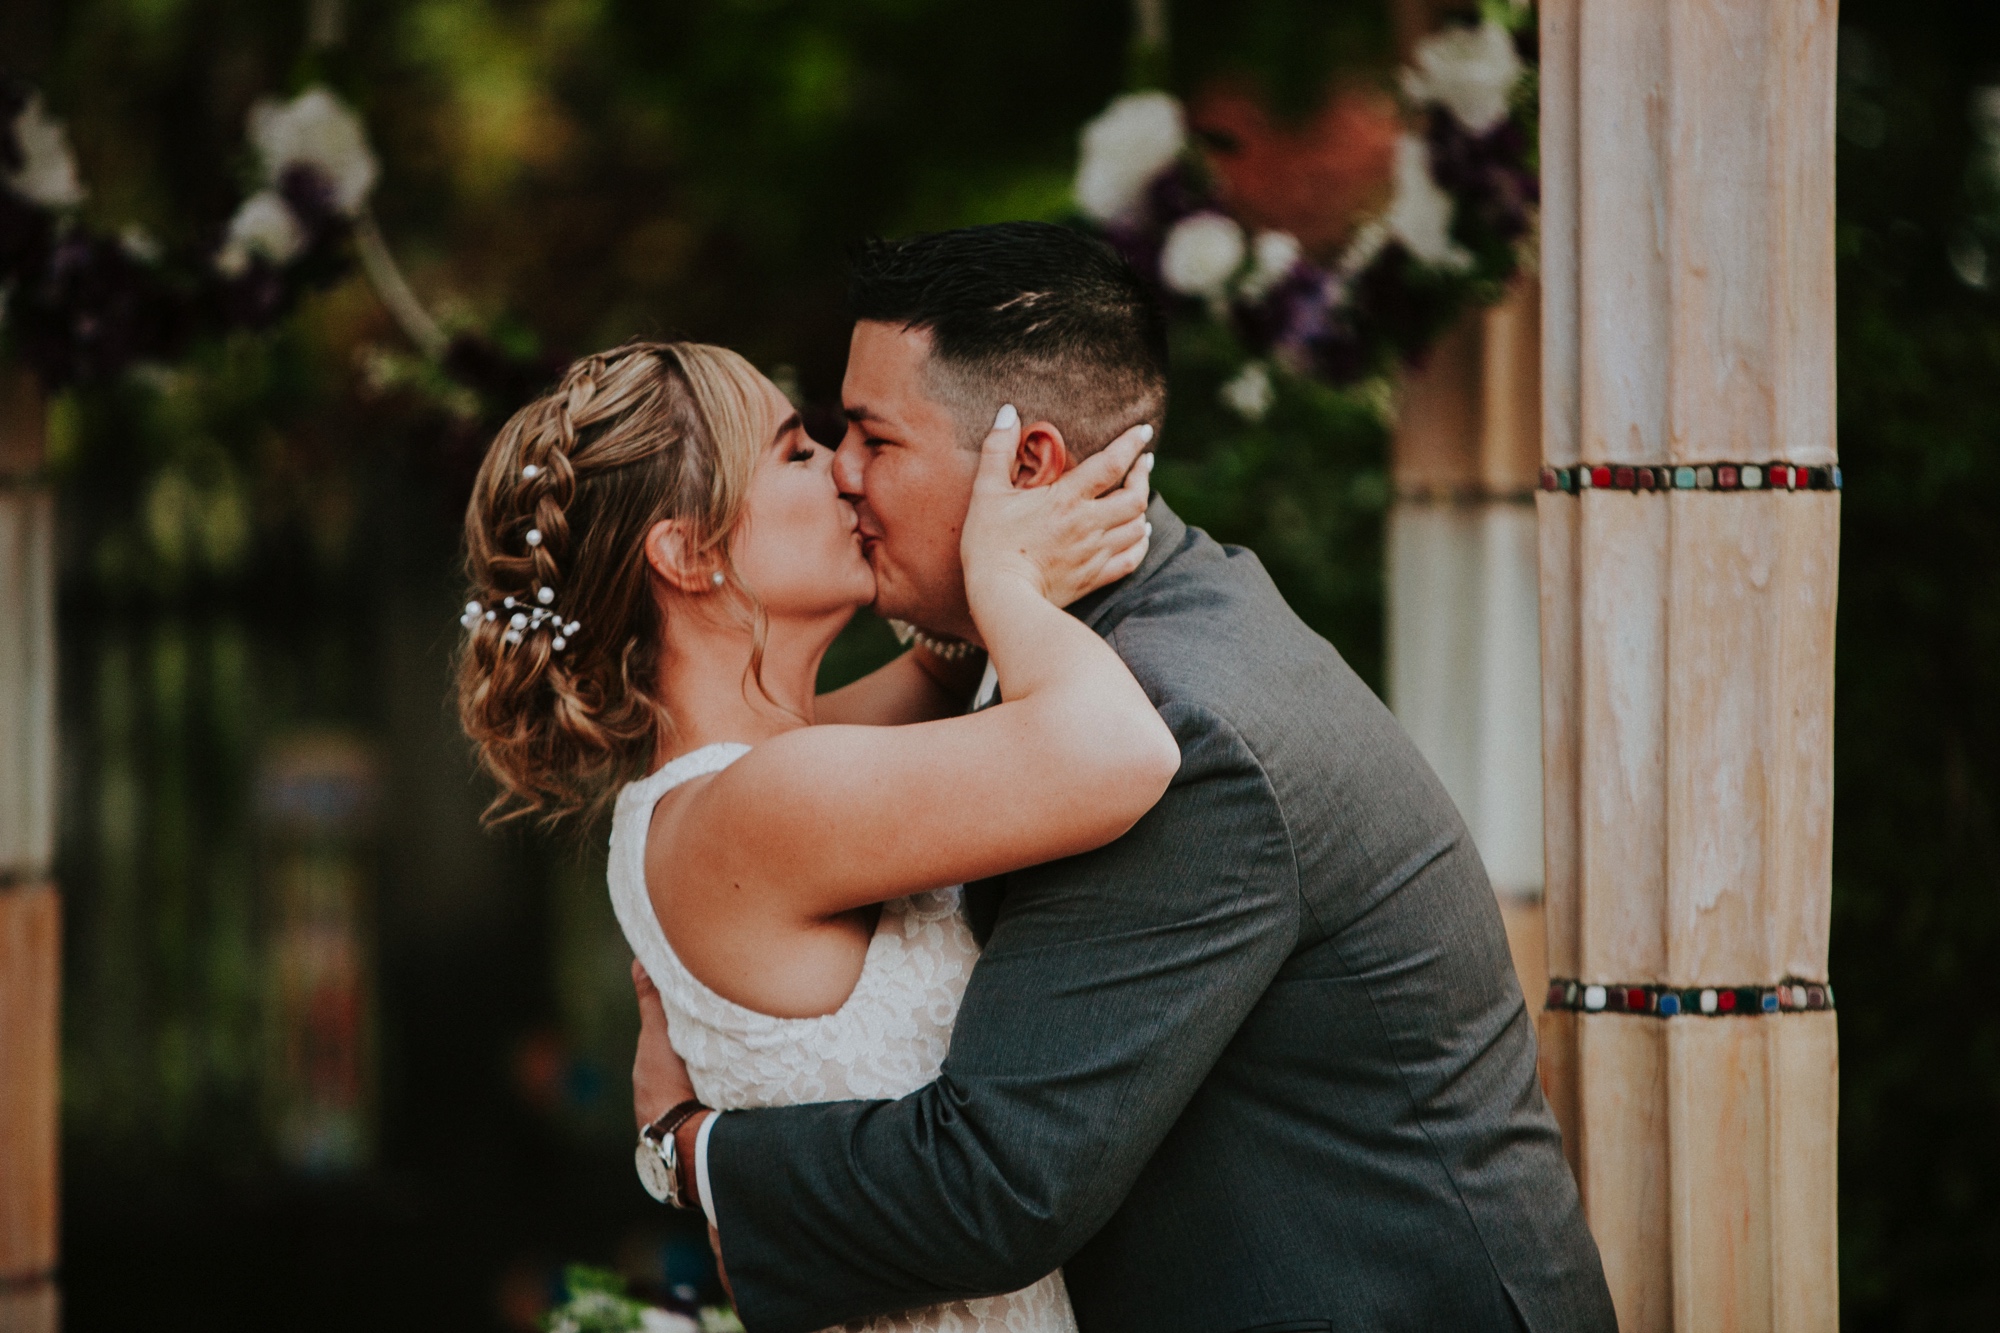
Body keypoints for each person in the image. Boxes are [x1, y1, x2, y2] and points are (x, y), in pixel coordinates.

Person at [632, 223, 1618, 1333]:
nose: (846, 477)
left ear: (1028, 467)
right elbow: (763, 770)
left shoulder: (1172, 724)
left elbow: (996, 1183)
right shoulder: (1108, 632)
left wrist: (691, 1148)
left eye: (869, 439)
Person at [456, 337, 1174, 1332]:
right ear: (689, 552)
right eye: (796, 453)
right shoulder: (769, 802)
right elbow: (1119, 752)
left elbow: (939, 669)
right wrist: (1005, 583)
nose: (845, 468)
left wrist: (963, 542)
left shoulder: (747, 776)